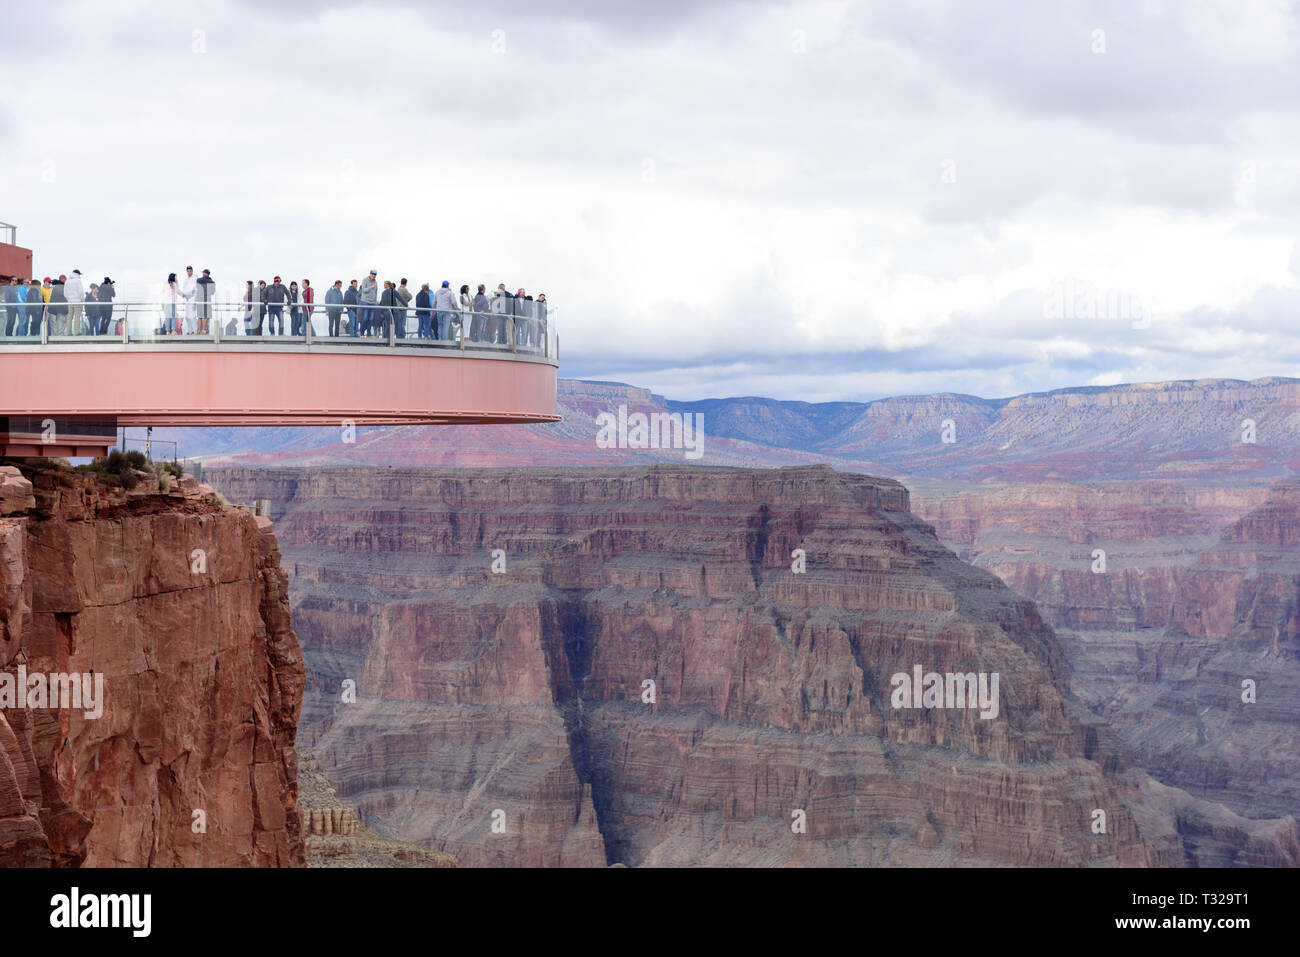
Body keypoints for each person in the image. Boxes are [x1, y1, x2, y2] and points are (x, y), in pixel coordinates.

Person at [65, 269, 85, 334]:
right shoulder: (78, 280)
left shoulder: (67, 281)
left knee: (69, 317)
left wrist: (68, 299)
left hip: (69, 302)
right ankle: (77, 332)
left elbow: (65, 293)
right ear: (78, 274)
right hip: (77, 301)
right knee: (77, 317)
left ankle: (69, 332)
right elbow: (81, 292)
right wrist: (82, 300)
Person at [359, 270, 378, 336]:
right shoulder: (364, 280)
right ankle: (361, 332)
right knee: (365, 317)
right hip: (365, 301)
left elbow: (376, 292)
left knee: (371, 318)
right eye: (373, 274)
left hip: (372, 303)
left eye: (375, 274)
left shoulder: (376, 282)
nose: (374, 275)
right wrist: (371, 287)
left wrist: (375, 302)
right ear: (370, 274)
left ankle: (369, 334)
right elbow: (363, 290)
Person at [196, 269, 215, 334]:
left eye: (203, 273)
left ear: (205, 273)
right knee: (205, 316)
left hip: (199, 300)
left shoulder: (198, 280)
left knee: (199, 316)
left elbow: (196, 289)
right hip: (207, 300)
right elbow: (213, 292)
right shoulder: (211, 282)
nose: (202, 274)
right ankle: (204, 330)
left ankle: (198, 330)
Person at [181, 266, 197, 334]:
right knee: (187, 316)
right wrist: (183, 294)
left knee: (192, 315)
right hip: (187, 299)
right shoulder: (186, 279)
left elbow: (192, 288)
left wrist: (185, 293)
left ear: (192, 271)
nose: (189, 272)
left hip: (192, 298)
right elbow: (184, 288)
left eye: (190, 271)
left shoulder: (194, 278)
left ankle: (195, 330)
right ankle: (190, 330)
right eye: (188, 271)